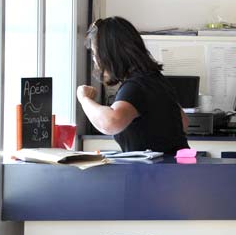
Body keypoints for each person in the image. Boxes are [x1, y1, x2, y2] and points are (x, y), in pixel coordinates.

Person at [76, 17, 189, 154]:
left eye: (95, 53)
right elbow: (183, 122)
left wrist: (84, 99)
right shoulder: (156, 79)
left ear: (110, 53)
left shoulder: (136, 85)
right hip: (174, 169)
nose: (95, 60)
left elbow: (110, 122)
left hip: (155, 173)